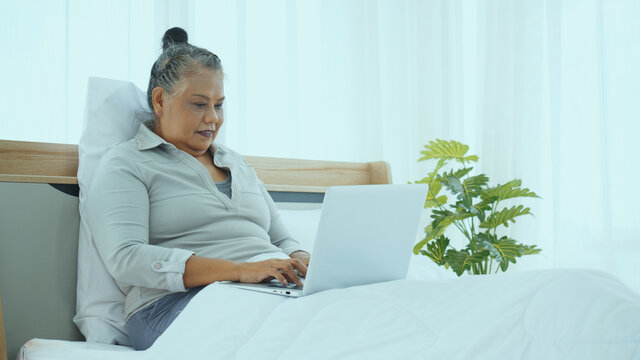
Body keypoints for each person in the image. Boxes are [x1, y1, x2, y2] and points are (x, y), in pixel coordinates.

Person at [85, 27, 310, 351]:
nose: (213, 118)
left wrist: (302, 259)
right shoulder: (127, 163)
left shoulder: (237, 163)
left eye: (219, 105)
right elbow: (127, 257)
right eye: (199, 104)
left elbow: (281, 239)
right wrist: (241, 272)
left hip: (270, 293)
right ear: (160, 100)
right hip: (169, 307)